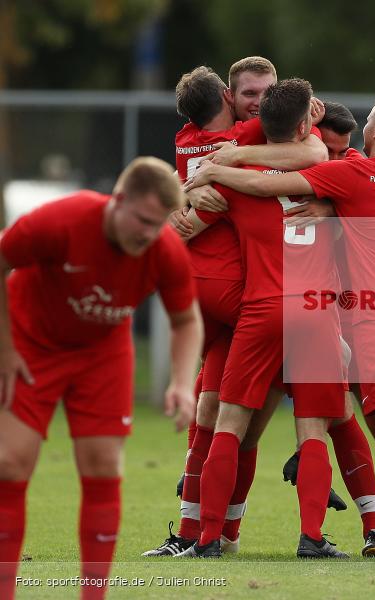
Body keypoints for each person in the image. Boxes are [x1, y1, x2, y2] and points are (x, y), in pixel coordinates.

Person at [187, 92, 375, 561]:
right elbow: (347, 186)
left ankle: (209, 536)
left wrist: (205, 173)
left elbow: (271, 186)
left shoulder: (343, 172)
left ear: (371, 131)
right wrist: (333, 208)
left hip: (332, 313)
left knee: (239, 422)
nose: (334, 152)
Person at [142, 60, 336, 559]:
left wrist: (194, 189)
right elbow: (312, 154)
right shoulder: (303, 164)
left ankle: (207, 535)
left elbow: (189, 216)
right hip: (282, 302)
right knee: (313, 422)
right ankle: (329, 532)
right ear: (230, 98)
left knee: (226, 420)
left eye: (267, 93)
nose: (257, 101)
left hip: (248, 302)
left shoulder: (200, 147)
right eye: (250, 93)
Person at [0, 157, 202, 600]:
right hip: (30, 344)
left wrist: (182, 384)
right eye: (144, 220)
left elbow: (187, 321)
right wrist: (5, 347)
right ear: (119, 200)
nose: (149, 234)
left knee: (103, 466)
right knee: (9, 463)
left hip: (103, 354)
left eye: (159, 224)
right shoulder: (62, 220)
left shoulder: (164, 249)